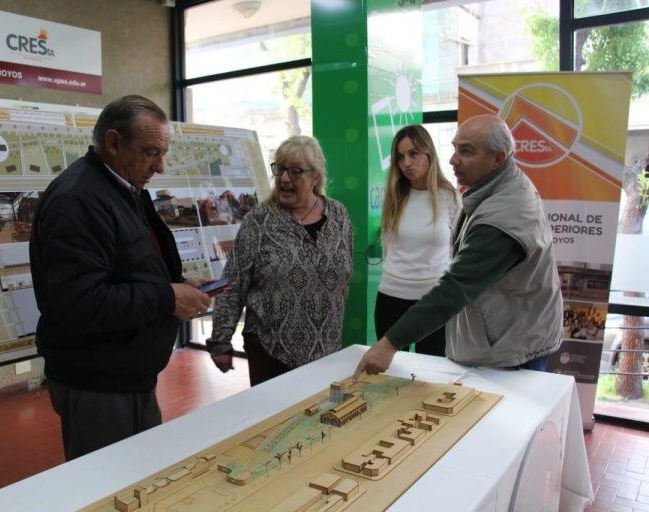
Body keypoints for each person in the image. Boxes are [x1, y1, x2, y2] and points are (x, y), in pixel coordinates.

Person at [29, 95, 212, 460]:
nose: (160, 166)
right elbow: (79, 303)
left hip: (127, 374)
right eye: (150, 152)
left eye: (163, 153)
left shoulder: (122, 188)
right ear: (113, 143)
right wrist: (166, 298)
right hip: (97, 382)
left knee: (139, 476)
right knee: (110, 485)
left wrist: (175, 283)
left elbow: (131, 263)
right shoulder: (78, 200)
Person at [353, 114, 563, 381]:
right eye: (454, 148)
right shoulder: (489, 190)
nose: (453, 159)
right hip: (502, 333)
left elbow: (457, 285)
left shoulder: (504, 214)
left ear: (498, 158)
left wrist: (388, 344)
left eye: (466, 151)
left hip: (514, 345)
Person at [207, 135, 353, 386]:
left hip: (326, 350)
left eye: (295, 171)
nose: (285, 178)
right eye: (280, 169)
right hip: (271, 350)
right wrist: (221, 341)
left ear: (315, 177)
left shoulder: (338, 215)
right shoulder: (259, 221)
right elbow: (233, 282)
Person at [375, 125, 460, 357]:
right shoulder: (394, 196)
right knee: (390, 374)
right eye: (400, 157)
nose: (407, 163)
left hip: (434, 299)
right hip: (391, 296)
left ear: (428, 154)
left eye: (413, 154)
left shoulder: (449, 196)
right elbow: (388, 247)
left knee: (432, 375)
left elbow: (458, 250)